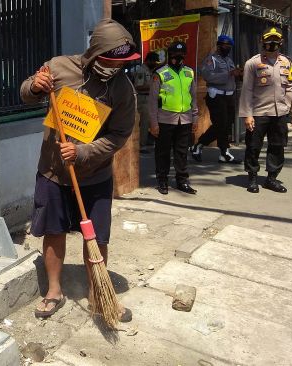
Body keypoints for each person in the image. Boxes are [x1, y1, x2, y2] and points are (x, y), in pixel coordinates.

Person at [20, 19, 138, 319]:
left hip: (95, 175)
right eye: (112, 60)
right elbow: (25, 92)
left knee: (96, 237)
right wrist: (35, 85)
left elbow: (119, 135)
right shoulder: (59, 67)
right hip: (53, 173)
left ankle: (98, 294)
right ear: (96, 53)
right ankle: (54, 291)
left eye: (122, 63)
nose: (116, 67)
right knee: (54, 231)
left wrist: (84, 152)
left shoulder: (123, 89)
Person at [239, 27, 292, 193]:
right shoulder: (253, 63)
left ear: (281, 42)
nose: (271, 43)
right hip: (259, 113)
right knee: (253, 146)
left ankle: (271, 179)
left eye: (275, 40)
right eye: (268, 40)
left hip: (280, 113)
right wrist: (247, 115)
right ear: (262, 41)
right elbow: (247, 90)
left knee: (277, 146)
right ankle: (252, 177)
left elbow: (291, 88)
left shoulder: (287, 62)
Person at [149, 41, 198, 195]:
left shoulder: (189, 72)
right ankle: (162, 180)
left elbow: (193, 97)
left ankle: (182, 181)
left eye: (181, 54)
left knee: (182, 152)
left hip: (185, 119)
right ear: (169, 55)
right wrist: (153, 123)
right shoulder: (160, 73)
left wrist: (195, 118)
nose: (178, 57)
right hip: (164, 120)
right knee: (163, 152)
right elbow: (152, 101)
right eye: (175, 54)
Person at [191, 35, 242, 164]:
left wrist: (239, 74)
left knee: (226, 124)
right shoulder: (211, 59)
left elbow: (231, 76)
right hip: (216, 96)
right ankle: (209, 148)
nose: (227, 48)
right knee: (221, 124)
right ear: (219, 46)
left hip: (229, 96)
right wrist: (229, 74)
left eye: (229, 46)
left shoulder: (229, 60)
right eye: (225, 46)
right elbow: (208, 76)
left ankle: (217, 151)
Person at [132, 52, 161, 152]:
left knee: (150, 121)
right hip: (143, 99)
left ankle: (148, 140)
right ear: (148, 60)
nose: (155, 64)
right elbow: (138, 86)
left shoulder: (151, 71)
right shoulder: (141, 71)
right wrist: (153, 87)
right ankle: (141, 145)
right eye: (154, 61)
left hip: (150, 99)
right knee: (144, 123)